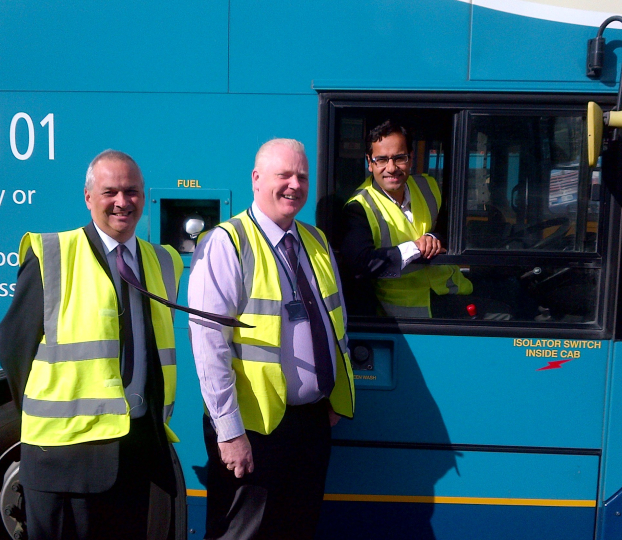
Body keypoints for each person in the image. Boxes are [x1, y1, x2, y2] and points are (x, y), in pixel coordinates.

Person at [0, 150, 181, 540]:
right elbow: (12, 348)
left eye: (131, 191)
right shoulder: (52, 255)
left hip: (135, 454)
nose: (122, 202)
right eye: (110, 192)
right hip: (64, 460)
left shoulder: (163, 262)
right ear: (88, 197)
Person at [188, 138, 355, 540]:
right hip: (254, 428)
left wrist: (331, 395)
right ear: (257, 179)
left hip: (311, 423)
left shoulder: (315, 241)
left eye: (302, 176)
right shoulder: (227, 243)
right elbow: (209, 346)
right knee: (242, 533)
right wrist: (230, 432)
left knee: (297, 529)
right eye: (284, 175)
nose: (295, 185)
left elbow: (337, 324)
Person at [341, 120, 472, 317]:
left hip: (453, 294)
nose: (391, 168)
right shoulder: (358, 207)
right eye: (381, 160)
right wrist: (415, 248)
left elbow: (451, 230)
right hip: (404, 315)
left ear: (411, 158)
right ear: (370, 163)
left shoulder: (429, 186)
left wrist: (433, 237)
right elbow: (360, 264)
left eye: (399, 158)